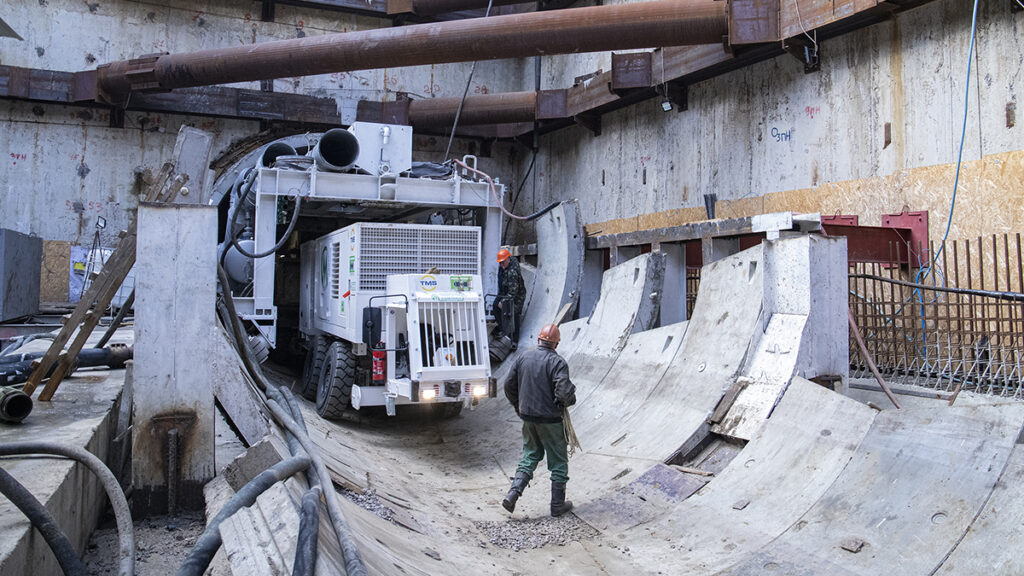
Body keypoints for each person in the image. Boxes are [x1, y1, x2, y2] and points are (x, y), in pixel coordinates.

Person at [501, 323, 577, 517]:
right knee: (558, 461)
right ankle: (557, 505)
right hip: (550, 420)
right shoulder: (558, 363)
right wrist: (568, 399)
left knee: (530, 455)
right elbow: (563, 392)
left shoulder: (523, 357)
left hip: (528, 417)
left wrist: (518, 405)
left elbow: (509, 385)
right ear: (556, 344)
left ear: (539, 340)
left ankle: (513, 494)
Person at [496, 248, 526, 346]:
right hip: (506, 293)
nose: (501, 265)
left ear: (508, 260)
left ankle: (514, 339)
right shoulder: (505, 267)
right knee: (496, 306)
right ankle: (503, 330)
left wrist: (503, 301)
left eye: (503, 263)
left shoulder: (512, 272)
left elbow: (513, 292)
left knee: (514, 313)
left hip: (517, 297)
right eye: (500, 263)